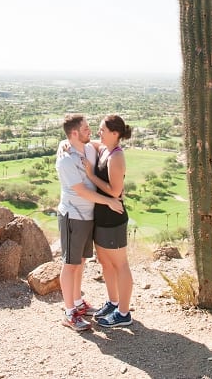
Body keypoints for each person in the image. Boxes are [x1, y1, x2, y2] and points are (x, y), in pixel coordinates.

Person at [56, 113, 124, 332]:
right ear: (75, 133)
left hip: (88, 217)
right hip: (72, 216)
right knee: (70, 264)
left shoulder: (87, 148)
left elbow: (100, 143)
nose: (91, 131)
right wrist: (109, 201)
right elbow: (81, 191)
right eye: (86, 128)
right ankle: (69, 313)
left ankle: (77, 303)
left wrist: (64, 142)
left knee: (81, 261)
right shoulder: (66, 159)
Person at [83, 114, 134, 327]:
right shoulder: (104, 148)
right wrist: (67, 145)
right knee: (105, 262)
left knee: (120, 264)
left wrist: (91, 176)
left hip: (113, 217)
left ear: (115, 134)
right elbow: (85, 142)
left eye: (102, 130)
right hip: (101, 216)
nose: (98, 133)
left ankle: (124, 313)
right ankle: (113, 302)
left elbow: (115, 191)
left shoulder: (116, 157)